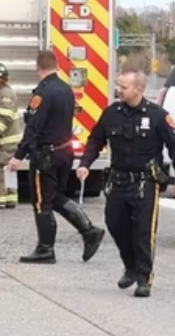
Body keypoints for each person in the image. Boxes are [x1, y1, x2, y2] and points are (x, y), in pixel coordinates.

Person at [77, 65, 175, 297]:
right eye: (118, 85)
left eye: (123, 86)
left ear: (138, 89)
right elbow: (95, 140)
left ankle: (144, 278)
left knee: (143, 231)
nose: (118, 90)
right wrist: (85, 164)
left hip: (145, 182)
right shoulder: (112, 113)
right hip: (118, 180)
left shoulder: (157, 115)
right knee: (115, 224)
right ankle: (130, 266)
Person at [6, 51, 106, 263]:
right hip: (64, 152)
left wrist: (18, 155)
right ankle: (89, 231)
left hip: (46, 156)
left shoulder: (43, 93)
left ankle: (45, 249)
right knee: (57, 196)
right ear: (56, 65)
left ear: (37, 68)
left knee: (42, 202)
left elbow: (34, 127)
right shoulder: (66, 89)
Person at [0, 62, 22, 208]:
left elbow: (4, 117)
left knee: (2, 169)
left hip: (6, 142)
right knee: (8, 169)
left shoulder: (5, 93)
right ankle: (10, 198)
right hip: (9, 141)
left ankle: (2, 199)